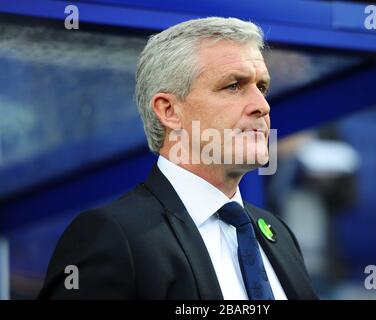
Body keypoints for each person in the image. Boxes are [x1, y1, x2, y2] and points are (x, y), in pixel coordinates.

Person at [38, 17, 317, 300]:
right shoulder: (112, 236)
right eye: (233, 86)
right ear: (169, 110)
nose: (262, 105)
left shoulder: (279, 235)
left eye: (262, 87)